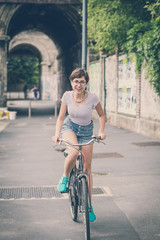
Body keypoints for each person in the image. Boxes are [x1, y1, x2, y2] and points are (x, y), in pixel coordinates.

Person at [52, 68, 106, 222]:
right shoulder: (67, 96)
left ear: (86, 83)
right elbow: (61, 118)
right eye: (76, 81)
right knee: (74, 152)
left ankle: (88, 206)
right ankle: (65, 177)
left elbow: (102, 115)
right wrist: (57, 134)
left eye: (82, 81)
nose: (79, 84)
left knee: (87, 169)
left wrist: (101, 132)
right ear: (71, 82)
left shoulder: (92, 97)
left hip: (87, 130)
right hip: (70, 127)